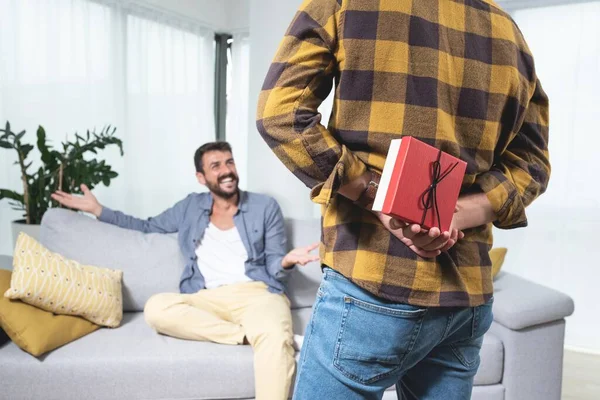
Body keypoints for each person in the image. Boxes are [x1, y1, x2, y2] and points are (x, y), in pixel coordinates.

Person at [257, 0, 550, 399]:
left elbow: (281, 114)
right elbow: (533, 164)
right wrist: (454, 214)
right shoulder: (506, 29)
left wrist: (374, 192)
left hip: (374, 278)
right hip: (465, 296)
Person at [51, 141, 319, 400]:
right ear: (201, 177)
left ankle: (271, 336)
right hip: (206, 297)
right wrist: (99, 210)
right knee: (156, 308)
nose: (226, 170)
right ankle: (258, 335)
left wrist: (285, 262)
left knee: (272, 340)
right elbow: (147, 226)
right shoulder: (191, 206)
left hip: (258, 293)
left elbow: (275, 265)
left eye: (230, 162)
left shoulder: (264, 206)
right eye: (215, 166)